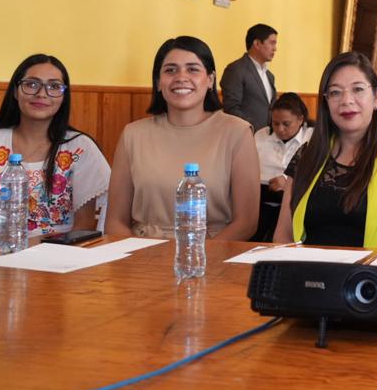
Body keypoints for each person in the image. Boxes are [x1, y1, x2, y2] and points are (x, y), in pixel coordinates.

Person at [0, 54, 110, 250]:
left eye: (54, 86)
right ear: (16, 91)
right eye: (32, 84)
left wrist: (36, 249)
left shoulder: (80, 147)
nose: (42, 94)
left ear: (64, 97)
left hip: (59, 256)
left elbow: (85, 223)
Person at [273, 52, 377, 249]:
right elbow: (283, 234)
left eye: (358, 89)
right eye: (335, 92)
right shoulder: (307, 155)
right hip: (308, 268)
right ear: (326, 102)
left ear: (376, 98)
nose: (346, 100)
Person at [105, 36, 258, 239]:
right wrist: (137, 255)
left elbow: (246, 223)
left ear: (210, 79)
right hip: (141, 248)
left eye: (192, 69)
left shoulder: (237, 132)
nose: (181, 77)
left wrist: (195, 255)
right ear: (158, 82)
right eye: (170, 70)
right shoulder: (133, 134)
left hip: (213, 250)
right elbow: (115, 222)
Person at [253, 93, 312, 242]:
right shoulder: (261, 135)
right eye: (275, 123)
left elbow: (315, 171)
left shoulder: (312, 137)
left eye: (286, 124)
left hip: (294, 204)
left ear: (300, 120)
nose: (280, 129)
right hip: (261, 202)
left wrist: (287, 181)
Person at [220, 24, 278, 131]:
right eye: (272, 43)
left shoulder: (270, 76)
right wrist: (252, 130)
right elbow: (231, 108)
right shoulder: (236, 69)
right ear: (257, 43)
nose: (275, 49)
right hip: (244, 134)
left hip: (268, 137)